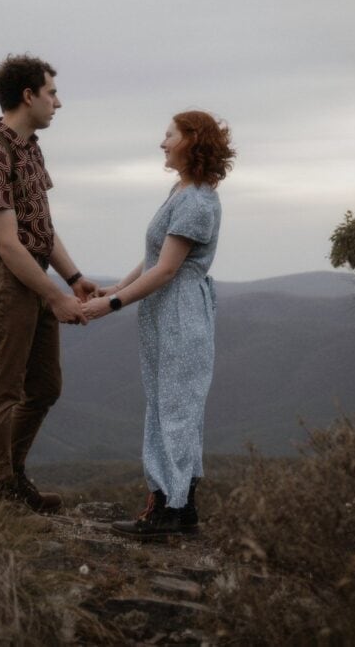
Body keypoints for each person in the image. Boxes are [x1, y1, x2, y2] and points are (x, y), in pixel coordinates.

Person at [83, 110, 234, 538]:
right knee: (169, 406)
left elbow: (167, 270)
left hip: (180, 310)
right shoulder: (181, 191)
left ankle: (170, 510)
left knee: (177, 411)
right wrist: (118, 286)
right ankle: (179, 509)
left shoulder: (198, 200)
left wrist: (112, 304)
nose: (162, 142)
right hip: (166, 311)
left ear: (192, 140)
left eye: (169, 134)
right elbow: (155, 255)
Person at [0, 54, 97, 513]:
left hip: (34, 276)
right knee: (1, 389)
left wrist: (74, 278)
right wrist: (56, 296)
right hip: (6, 279)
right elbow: (7, 242)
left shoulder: (31, 148)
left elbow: (41, 228)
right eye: (51, 93)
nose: (58, 103)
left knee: (44, 387)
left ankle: (11, 477)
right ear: (28, 96)